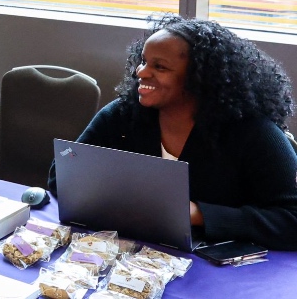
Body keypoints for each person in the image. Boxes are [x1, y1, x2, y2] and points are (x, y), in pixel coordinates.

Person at [48, 14, 297, 250]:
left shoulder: (255, 133)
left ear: (199, 79)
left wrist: (199, 214)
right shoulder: (124, 114)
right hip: (137, 259)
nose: (141, 72)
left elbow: (291, 219)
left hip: (222, 270)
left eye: (160, 67)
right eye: (143, 61)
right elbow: (62, 175)